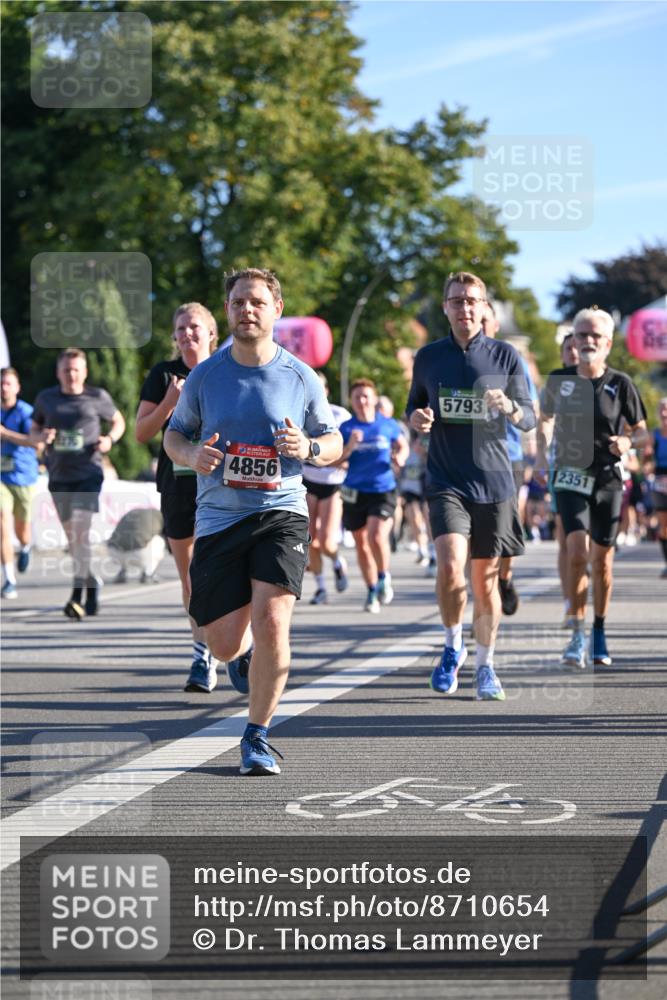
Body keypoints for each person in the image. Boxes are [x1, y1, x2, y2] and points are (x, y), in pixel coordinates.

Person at [164, 268, 342, 775]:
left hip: (281, 512)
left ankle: (257, 735)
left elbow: (331, 443)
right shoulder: (205, 376)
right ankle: (240, 657)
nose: (248, 310)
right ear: (228, 310)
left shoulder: (300, 376)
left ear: (276, 310)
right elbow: (173, 437)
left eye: (257, 302)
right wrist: (193, 453)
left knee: (272, 622)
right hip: (219, 518)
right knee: (221, 641)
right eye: (239, 301)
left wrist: (307, 448)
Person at [406, 271, 536, 700]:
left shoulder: (505, 356)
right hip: (446, 480)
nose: (464, 308)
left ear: (484, 309)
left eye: (472, 300)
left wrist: (512, 408)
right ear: (445, 307)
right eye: (457, 300)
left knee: (484, 583)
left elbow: (531, 418)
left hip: (495, 482)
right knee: (448, 566)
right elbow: (414, 408)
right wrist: (419, 420)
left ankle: (486, 666)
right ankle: (451, 646)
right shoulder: (428, 357)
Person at [536, 308, 648, 669]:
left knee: (602, 562)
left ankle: (599, 629)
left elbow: (642, 431)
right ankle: (576, 631)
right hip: (570, 475)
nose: (586, 341)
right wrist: (541, 456)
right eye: (581, 335)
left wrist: (628, 444)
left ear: (607, 344)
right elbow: (545, 420)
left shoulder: (621, 383)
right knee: (577, 551)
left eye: (594, 336)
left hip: (608, 478)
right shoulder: (559, 379)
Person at [135, 302, 219, 693]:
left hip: (222, 487)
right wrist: (170, 401)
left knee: (221, 571)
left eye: (195, 327)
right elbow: (140, 433)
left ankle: (238, 645)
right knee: (190, 577)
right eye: (181, 328)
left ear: (211, 333)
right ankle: (202, 656)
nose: (188, 334)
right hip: (177, 486)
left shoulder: (226, 370)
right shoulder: (162, 375)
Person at [31, 349, 125, 619]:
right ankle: (91, 581)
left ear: (84, 372)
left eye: (76, 370)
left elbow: (118, 421)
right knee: (74, 541)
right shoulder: (46, 399)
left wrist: (110, 439)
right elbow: (34, 430)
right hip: (59, 475)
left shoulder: (98, 397)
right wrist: (43, 435)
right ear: (58, 372)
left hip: (88, 474)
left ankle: (77, 593)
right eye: (66, 370)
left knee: (81, 535)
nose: (71, 375)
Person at [480, 303, 540, 614]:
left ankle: (504, 576)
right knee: (474, 535)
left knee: (505, 528)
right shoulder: (458, 359)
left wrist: (535, 454)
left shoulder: (511, 359)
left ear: (495, 324)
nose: (479, 323)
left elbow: (531, 412)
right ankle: (482, 599)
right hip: (471, 458)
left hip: (509, 456)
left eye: (485, 319)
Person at [338, 379, 409, 613]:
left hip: (382, 489)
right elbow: (335, 460)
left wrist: (400, 457)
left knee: (376, 536)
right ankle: (371, 591)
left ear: (374, 398)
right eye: (357, 397)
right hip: (354, 492)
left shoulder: (387, 425)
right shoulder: (346, 428)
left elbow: (402, 445)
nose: (361, 401)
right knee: (361, 544)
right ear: (352, 401)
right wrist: (349, 447)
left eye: (366, 396)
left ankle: (383, 576)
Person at [302, 372, 350, 605]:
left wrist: (347, 456)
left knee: (327, 542)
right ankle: (321, 587)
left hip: (332, 483)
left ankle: (338, 562)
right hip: (309, 481)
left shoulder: (341, 415)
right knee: (310, 539)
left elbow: (349, 448)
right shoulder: (298, 412)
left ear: (327, 390)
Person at [546, 333, 580, 623]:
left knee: (586, 543)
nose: (573, 351)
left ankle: (580, 591)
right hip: (562, 465)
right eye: (567, 348)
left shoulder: (602, 380)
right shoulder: (556, 380)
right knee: (564, 539)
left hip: (596, 468)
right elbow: (543, 418)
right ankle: (569, 601)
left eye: (576, 346)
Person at [1, 367, 44, 598]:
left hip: (24, 476)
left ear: (17, 387)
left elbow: (37, 443)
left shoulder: (27, 412)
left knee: (22, 531)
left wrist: (6, 434)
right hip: (1, 479)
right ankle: (9, 578)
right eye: (1, 384)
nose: (3, 388)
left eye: (8, 383)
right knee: (2, 523)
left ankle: (26, 547)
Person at [107, 507, 165, 583]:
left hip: (114, 552)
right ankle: (148, 573)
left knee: (132, 538)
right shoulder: (159, 516)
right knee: (160, 540)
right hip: (139, 554)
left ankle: (123, 571)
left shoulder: (132, 512)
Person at [644, 396, 667, 578]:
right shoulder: (655, 434)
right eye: (662, 409)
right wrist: (647, 465)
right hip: (660, 480)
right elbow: (646, 461)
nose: (665, 413)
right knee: (664, 525)